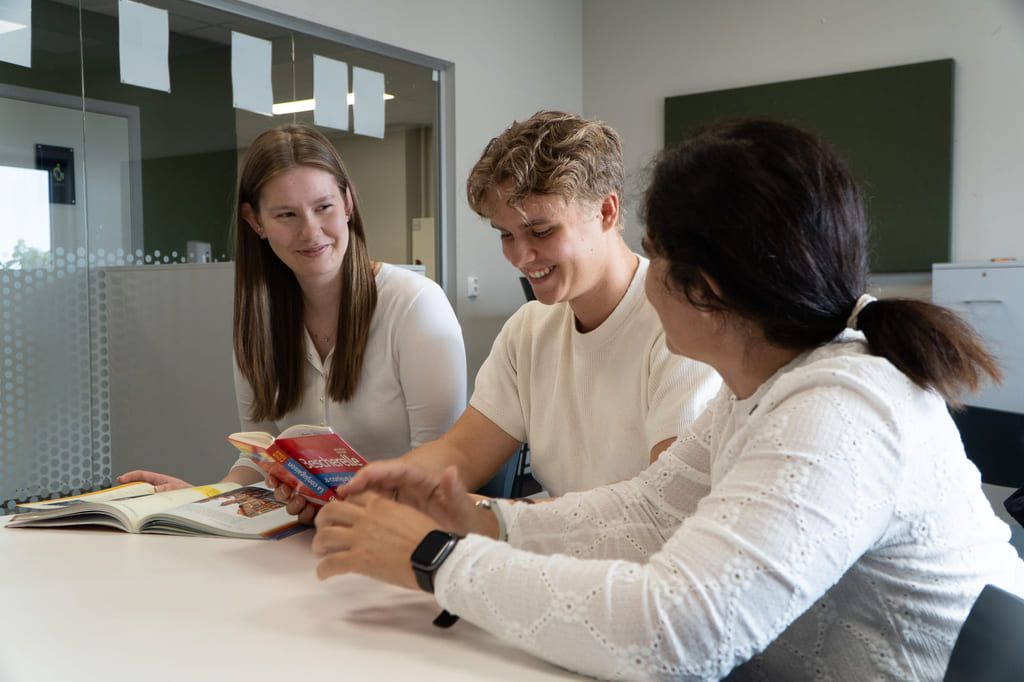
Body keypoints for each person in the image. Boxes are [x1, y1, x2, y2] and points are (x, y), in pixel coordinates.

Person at [309, 119, 1024, 680]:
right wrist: (484, 520)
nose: (647, 276)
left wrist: (436, 559)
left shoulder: (840, 409)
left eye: (657, 253)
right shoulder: (769, 381)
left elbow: (679, 633)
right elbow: (652, 510)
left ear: (708, 288)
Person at [276, 110, 720, 522]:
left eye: (541, 231)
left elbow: (665, 500)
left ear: (606, 211)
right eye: (506, 235)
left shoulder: (681, 326)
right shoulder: (529, 330)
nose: (521, 256)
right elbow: (459, 454)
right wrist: (363, 488)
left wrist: (497, 519)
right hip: (558, 556)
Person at [119, 124, 466, 491]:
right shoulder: (260, 322)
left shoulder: (415, 305)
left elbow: (438, 466)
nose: (311, 231)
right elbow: (259, 458)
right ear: (255, 222)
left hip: (399, 531)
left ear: (347, 204)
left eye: (323, 207)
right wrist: (199, 499)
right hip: (306, 533)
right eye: (286, 215)